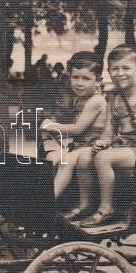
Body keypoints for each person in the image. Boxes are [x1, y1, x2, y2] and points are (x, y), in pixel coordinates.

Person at [73, 44, 136, 227]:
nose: (120, 73)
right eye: (114, 69)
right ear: (109, 72)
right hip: (124, 146)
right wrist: (102, 142)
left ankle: (106, 209)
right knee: (84, 157)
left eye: (126, 68)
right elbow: (108, 129)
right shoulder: (113, 98)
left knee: (103, 158)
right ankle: (85, 205)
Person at [40, 51, 106, 201]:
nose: (79, 83)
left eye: (86, 78)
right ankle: (52, 197)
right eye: (75, 77)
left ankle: (47, 201)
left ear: (98, 81)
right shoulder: (79, 99)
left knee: (67, 161)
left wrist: (51, 126)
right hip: (81, 146)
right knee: (51, 160)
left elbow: (77, 129)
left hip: (94, 147)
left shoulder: (96, 101)